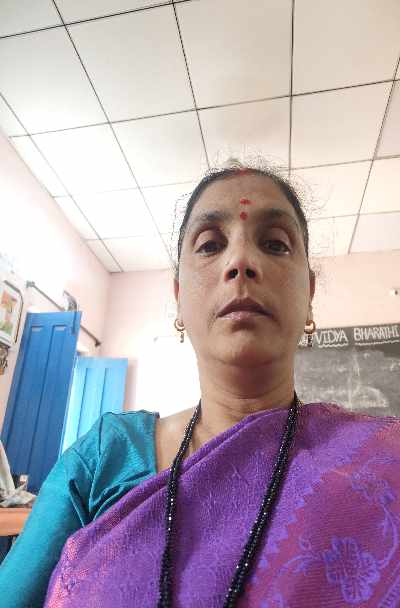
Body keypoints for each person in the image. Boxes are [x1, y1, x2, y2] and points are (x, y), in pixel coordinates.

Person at [1, 160, 399, 607]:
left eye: (274, 243)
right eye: (210, 245)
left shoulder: (384, 465)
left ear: (309, 295)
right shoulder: (104, 459)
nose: (241, 261)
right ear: (179, 297)